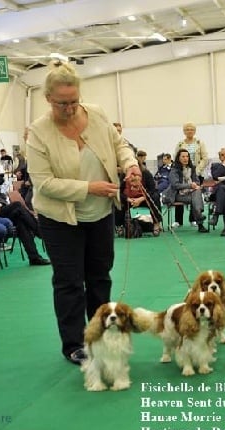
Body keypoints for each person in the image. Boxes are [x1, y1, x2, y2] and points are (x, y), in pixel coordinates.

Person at [26, 61, 141, 365]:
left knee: (100, 276)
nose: (70, 108)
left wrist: (130, 165)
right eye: (63, 103)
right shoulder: (38, 133)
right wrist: (88, 187)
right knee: (69, 282)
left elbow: (120, 146)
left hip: (101, 213)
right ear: (48, 99)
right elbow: (44, 183)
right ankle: (75, 343)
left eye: (74, 101)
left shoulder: (97, 113)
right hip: (60, 219)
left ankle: (101, 332)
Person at [115, 150, 162, 236]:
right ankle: (119, 226)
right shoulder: (124, 175)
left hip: (143, 199)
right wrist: (128, 199)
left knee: (155, 196)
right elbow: (119, 191)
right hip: (129, 200)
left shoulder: (146, 173)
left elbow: (152, 189)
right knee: (117, 199)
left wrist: (141, 199)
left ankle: (156, 224)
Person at [165, 148, 208, 233]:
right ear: (178, 158)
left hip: (190, 193)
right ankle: (200, 222)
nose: (185, 158)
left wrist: (195, 185)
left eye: (187, 156)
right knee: (196, 197)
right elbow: (175, 185)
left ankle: (198, 216)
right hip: (177, 195)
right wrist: (190, 185)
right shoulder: (174, 170)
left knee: (197, 192)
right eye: (183, 156)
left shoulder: (192, 168)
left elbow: (197, 181)